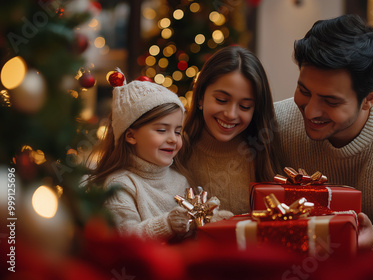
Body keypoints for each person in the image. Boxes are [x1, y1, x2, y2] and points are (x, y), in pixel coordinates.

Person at [274, 14, 373, 250]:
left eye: (330, 101)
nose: (310, 112)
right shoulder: (276, 123)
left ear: (369, 98)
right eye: (304, 91)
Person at [86, 75, 222, 240]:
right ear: (130, 135)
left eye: (177, 131)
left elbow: (191, 227)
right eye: (162, 130)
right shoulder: (120, 184)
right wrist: (167, 224)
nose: (173, 139)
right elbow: (126, 237)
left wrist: (211, 219)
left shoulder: (180, 181)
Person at [178, 46, 281, 215]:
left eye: (245, 106)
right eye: (221, 100)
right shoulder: (178, 149)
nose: (231, 114)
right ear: (201, 97)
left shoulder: (264, 151)